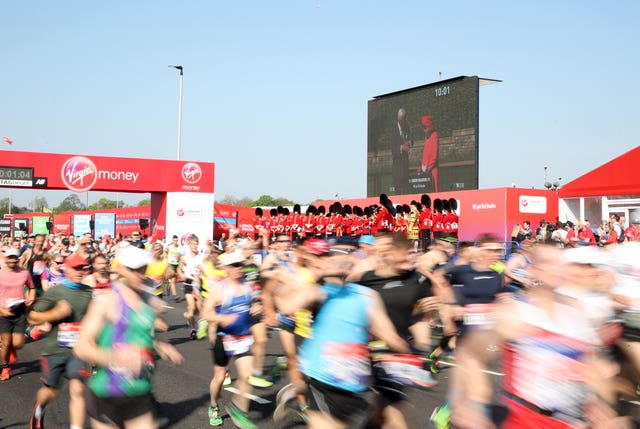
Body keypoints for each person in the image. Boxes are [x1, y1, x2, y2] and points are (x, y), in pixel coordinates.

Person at [273, 237, 411, 429]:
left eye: (348, 253)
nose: (342, 259)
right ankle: (300, 406)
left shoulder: (368, 295)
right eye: (335, 254)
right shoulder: (320, 291)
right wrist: (315, 275)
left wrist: (410, 355)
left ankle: (298, 414)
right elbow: (288, 305)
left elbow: (388, 334)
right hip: (322, 380)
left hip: (354, 385)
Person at [74, 245, 184, 429]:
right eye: (132, 270)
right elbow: (81, 347)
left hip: (139, 390)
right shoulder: (108, 300)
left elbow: (141, 334)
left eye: (142, 269)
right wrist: (117, 358)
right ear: (122, 269)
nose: (139, 275)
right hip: (107, 393)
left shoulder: (147, 300)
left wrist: (159, 346)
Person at [27, 253, 94, 429]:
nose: (80, 272)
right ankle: (39, 410)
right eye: (76, 268)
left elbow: (95, 320)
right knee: (51, 391)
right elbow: (33, 317)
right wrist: (55, 314)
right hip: (54, 350)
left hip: (77, 351)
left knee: (78, 389)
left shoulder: (88, 293)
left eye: (82, 268)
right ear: (67, 269)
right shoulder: (56, 292)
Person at [201, 250, 259, 428]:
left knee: (247, 376)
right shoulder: (220, 288)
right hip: (223, 338)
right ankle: (214, 406)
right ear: (225, 268)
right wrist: (222, 319)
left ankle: (238, 408)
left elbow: (255, 302)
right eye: (234, 265)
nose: (238, 268)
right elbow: (206, 312)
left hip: (243, 336)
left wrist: (256, 308)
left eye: (240, 264)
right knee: (219, 377)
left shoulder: (247, 285)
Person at [0, 248, 36, 380]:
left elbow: (31, 287)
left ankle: (12, 349)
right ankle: (5, 367)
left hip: (19, 312)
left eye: (15, 257)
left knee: (18, 343)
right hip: (3, 313)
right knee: (5, 343)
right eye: (10, 257)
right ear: (6, 258)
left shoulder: (24, 273)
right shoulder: (1, 274)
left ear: (18, 259)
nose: (12, 260)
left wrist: (31, 298)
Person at [391, 108, 412, 195]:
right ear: (400, 119)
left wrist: (409, 143)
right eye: (403, 119)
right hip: (397, 166)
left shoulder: (407, 127)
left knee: (406, 189)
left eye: (405, 118)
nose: (405, 120)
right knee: (398, 191)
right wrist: (401, 148)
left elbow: (412, 139)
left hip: (405, 164)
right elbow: (392, 149)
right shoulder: (393, 130)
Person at [420, 115, 439, 192]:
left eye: (425, 128)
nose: (424, 131)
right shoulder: (427, 137)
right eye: (423, 128)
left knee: (434, 190)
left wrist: (427, 168)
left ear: (430, 127)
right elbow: (425, 155)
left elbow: (434, 156)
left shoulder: (434, 136)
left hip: (432, 171)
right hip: (426, 170)